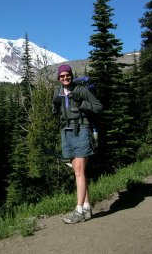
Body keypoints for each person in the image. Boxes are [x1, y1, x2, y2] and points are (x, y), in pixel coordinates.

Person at [52, 64, 102, 224]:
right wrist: (55, 106)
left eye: (67, 75)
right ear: (58, 78)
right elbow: (58, 110)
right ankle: (87, 207)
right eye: (62, 76)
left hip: (81, 130)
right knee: (78, 172)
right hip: (66, 132)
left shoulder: (81, 90)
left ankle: (79, 210)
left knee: (79, 171)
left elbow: (98, 107)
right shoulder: (57, 92)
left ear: (72, 76)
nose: (65, 78)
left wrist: (81, 104)